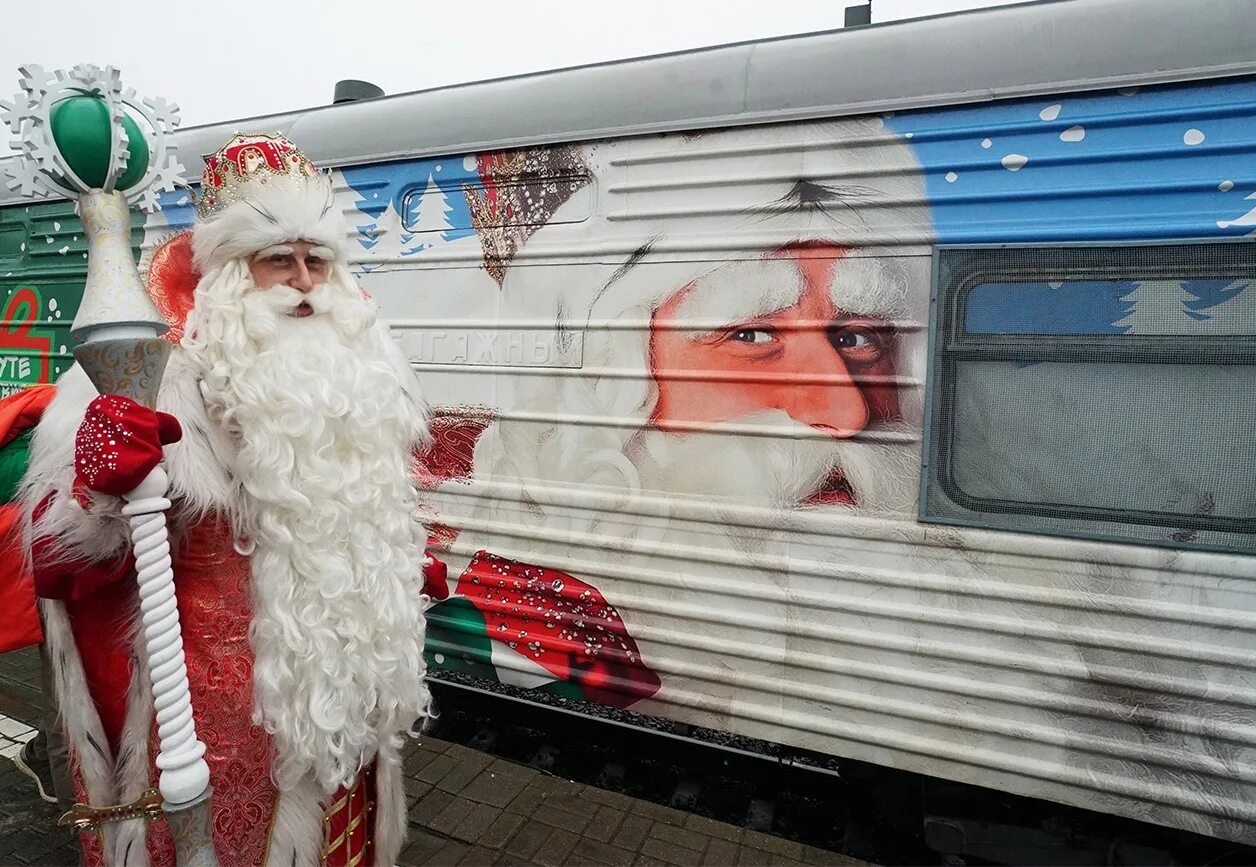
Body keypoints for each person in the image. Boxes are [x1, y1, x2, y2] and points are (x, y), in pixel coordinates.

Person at [420, 118, 933, 717]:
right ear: (609, 392)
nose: (846, 412)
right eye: (751, 334)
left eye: (860, 339)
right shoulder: (512, 633)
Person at [21, 133, 431, 867]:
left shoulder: (361, 368)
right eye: (279, 258)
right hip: (211, 719)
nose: (303, 281)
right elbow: (63, 560)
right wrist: (101, 492)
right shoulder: (154, 370)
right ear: (230, 272)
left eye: (318, 260)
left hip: (341, 698)